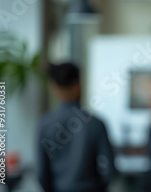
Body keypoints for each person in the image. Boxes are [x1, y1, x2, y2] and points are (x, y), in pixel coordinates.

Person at [37, 63, 117, 192]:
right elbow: (110, 169)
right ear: (78, 84)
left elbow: (41, 172)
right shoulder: (96, 124)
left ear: (54, 88)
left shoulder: (45, 125)